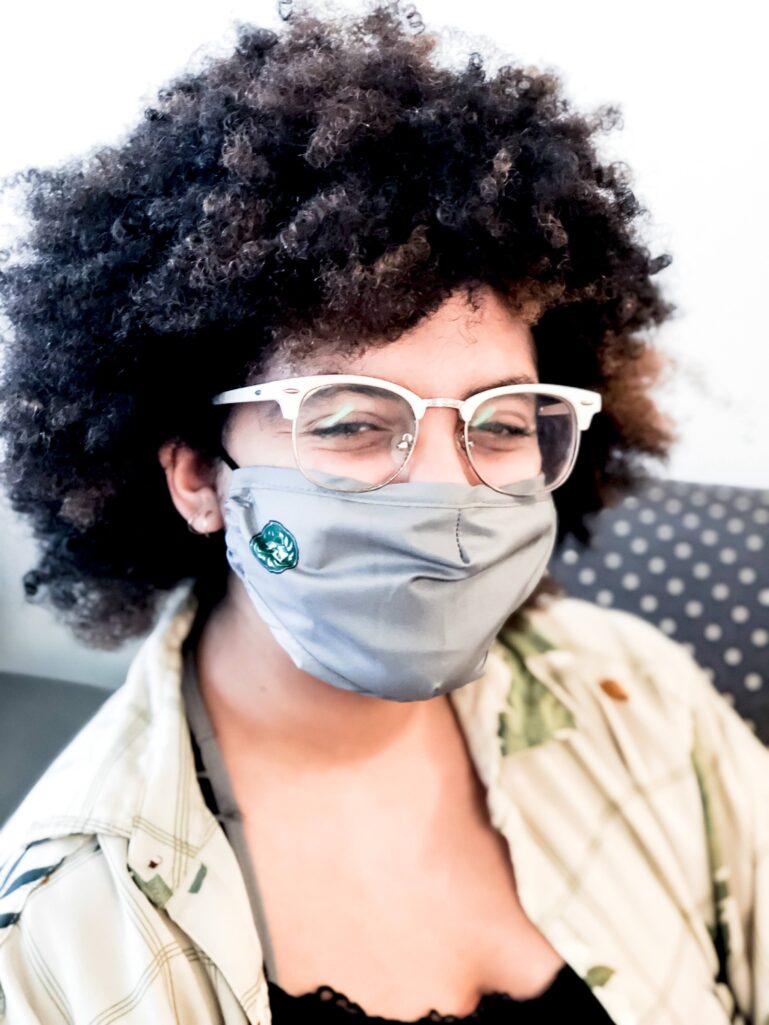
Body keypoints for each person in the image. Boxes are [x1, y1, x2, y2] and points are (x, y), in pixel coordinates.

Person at [0, 3, 766, 1023]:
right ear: (196, 476)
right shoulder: (59, 940)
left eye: (501, 423)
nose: (444, 486)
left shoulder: (642, 699)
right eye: (353, 421)